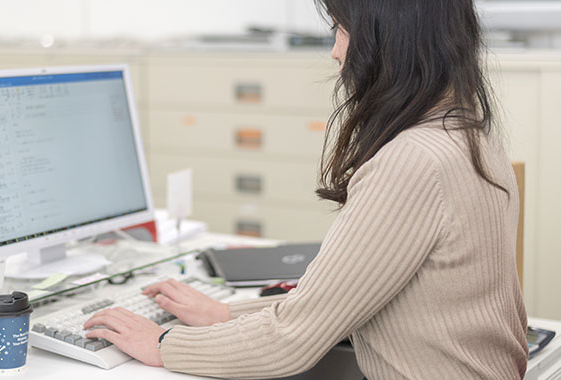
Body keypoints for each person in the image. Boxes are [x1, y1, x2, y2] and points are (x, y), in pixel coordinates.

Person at [83, 0, 529, 378]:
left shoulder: (412, 160)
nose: (336, 52)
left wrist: (161, 342)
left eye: (340, 30)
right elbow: (341, 304)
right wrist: (222, 315)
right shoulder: (468, 134)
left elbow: (290, 341)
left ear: (388, 39)